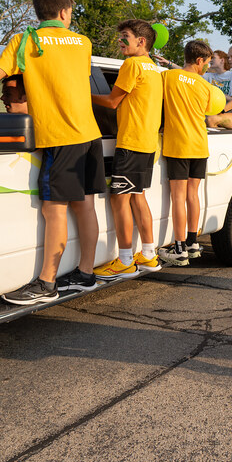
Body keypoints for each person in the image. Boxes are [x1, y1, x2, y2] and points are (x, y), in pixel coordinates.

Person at [0, 0, 102, 304]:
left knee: (53, 209)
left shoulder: (26, 41)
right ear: (63, 12)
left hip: (60, 138)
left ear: (39, 12)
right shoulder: (83, 42)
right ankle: (86, 273)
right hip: (90, 135)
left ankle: (47, 283)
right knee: (85, 205)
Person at [89, 19, 163, 280]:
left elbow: (111, 101)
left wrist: (80, 94)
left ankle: (124, 260)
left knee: (119, 199)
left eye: (125, 37)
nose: (120, 42)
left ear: (141, 42)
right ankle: (149, 254)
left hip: (131, 142)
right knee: (137, 196)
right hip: (147, 143)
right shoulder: (154, 69)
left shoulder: (132, 65)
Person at [157, 40, 220, 265]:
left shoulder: (167, 77)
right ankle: (193, 243)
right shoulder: (205, 86)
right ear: (199, 60)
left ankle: (179, 247)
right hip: (199, 145)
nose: (207, 67)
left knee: (178, 197)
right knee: (192, 195)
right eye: (208, 63)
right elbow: (205, 110)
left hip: (179, 145)